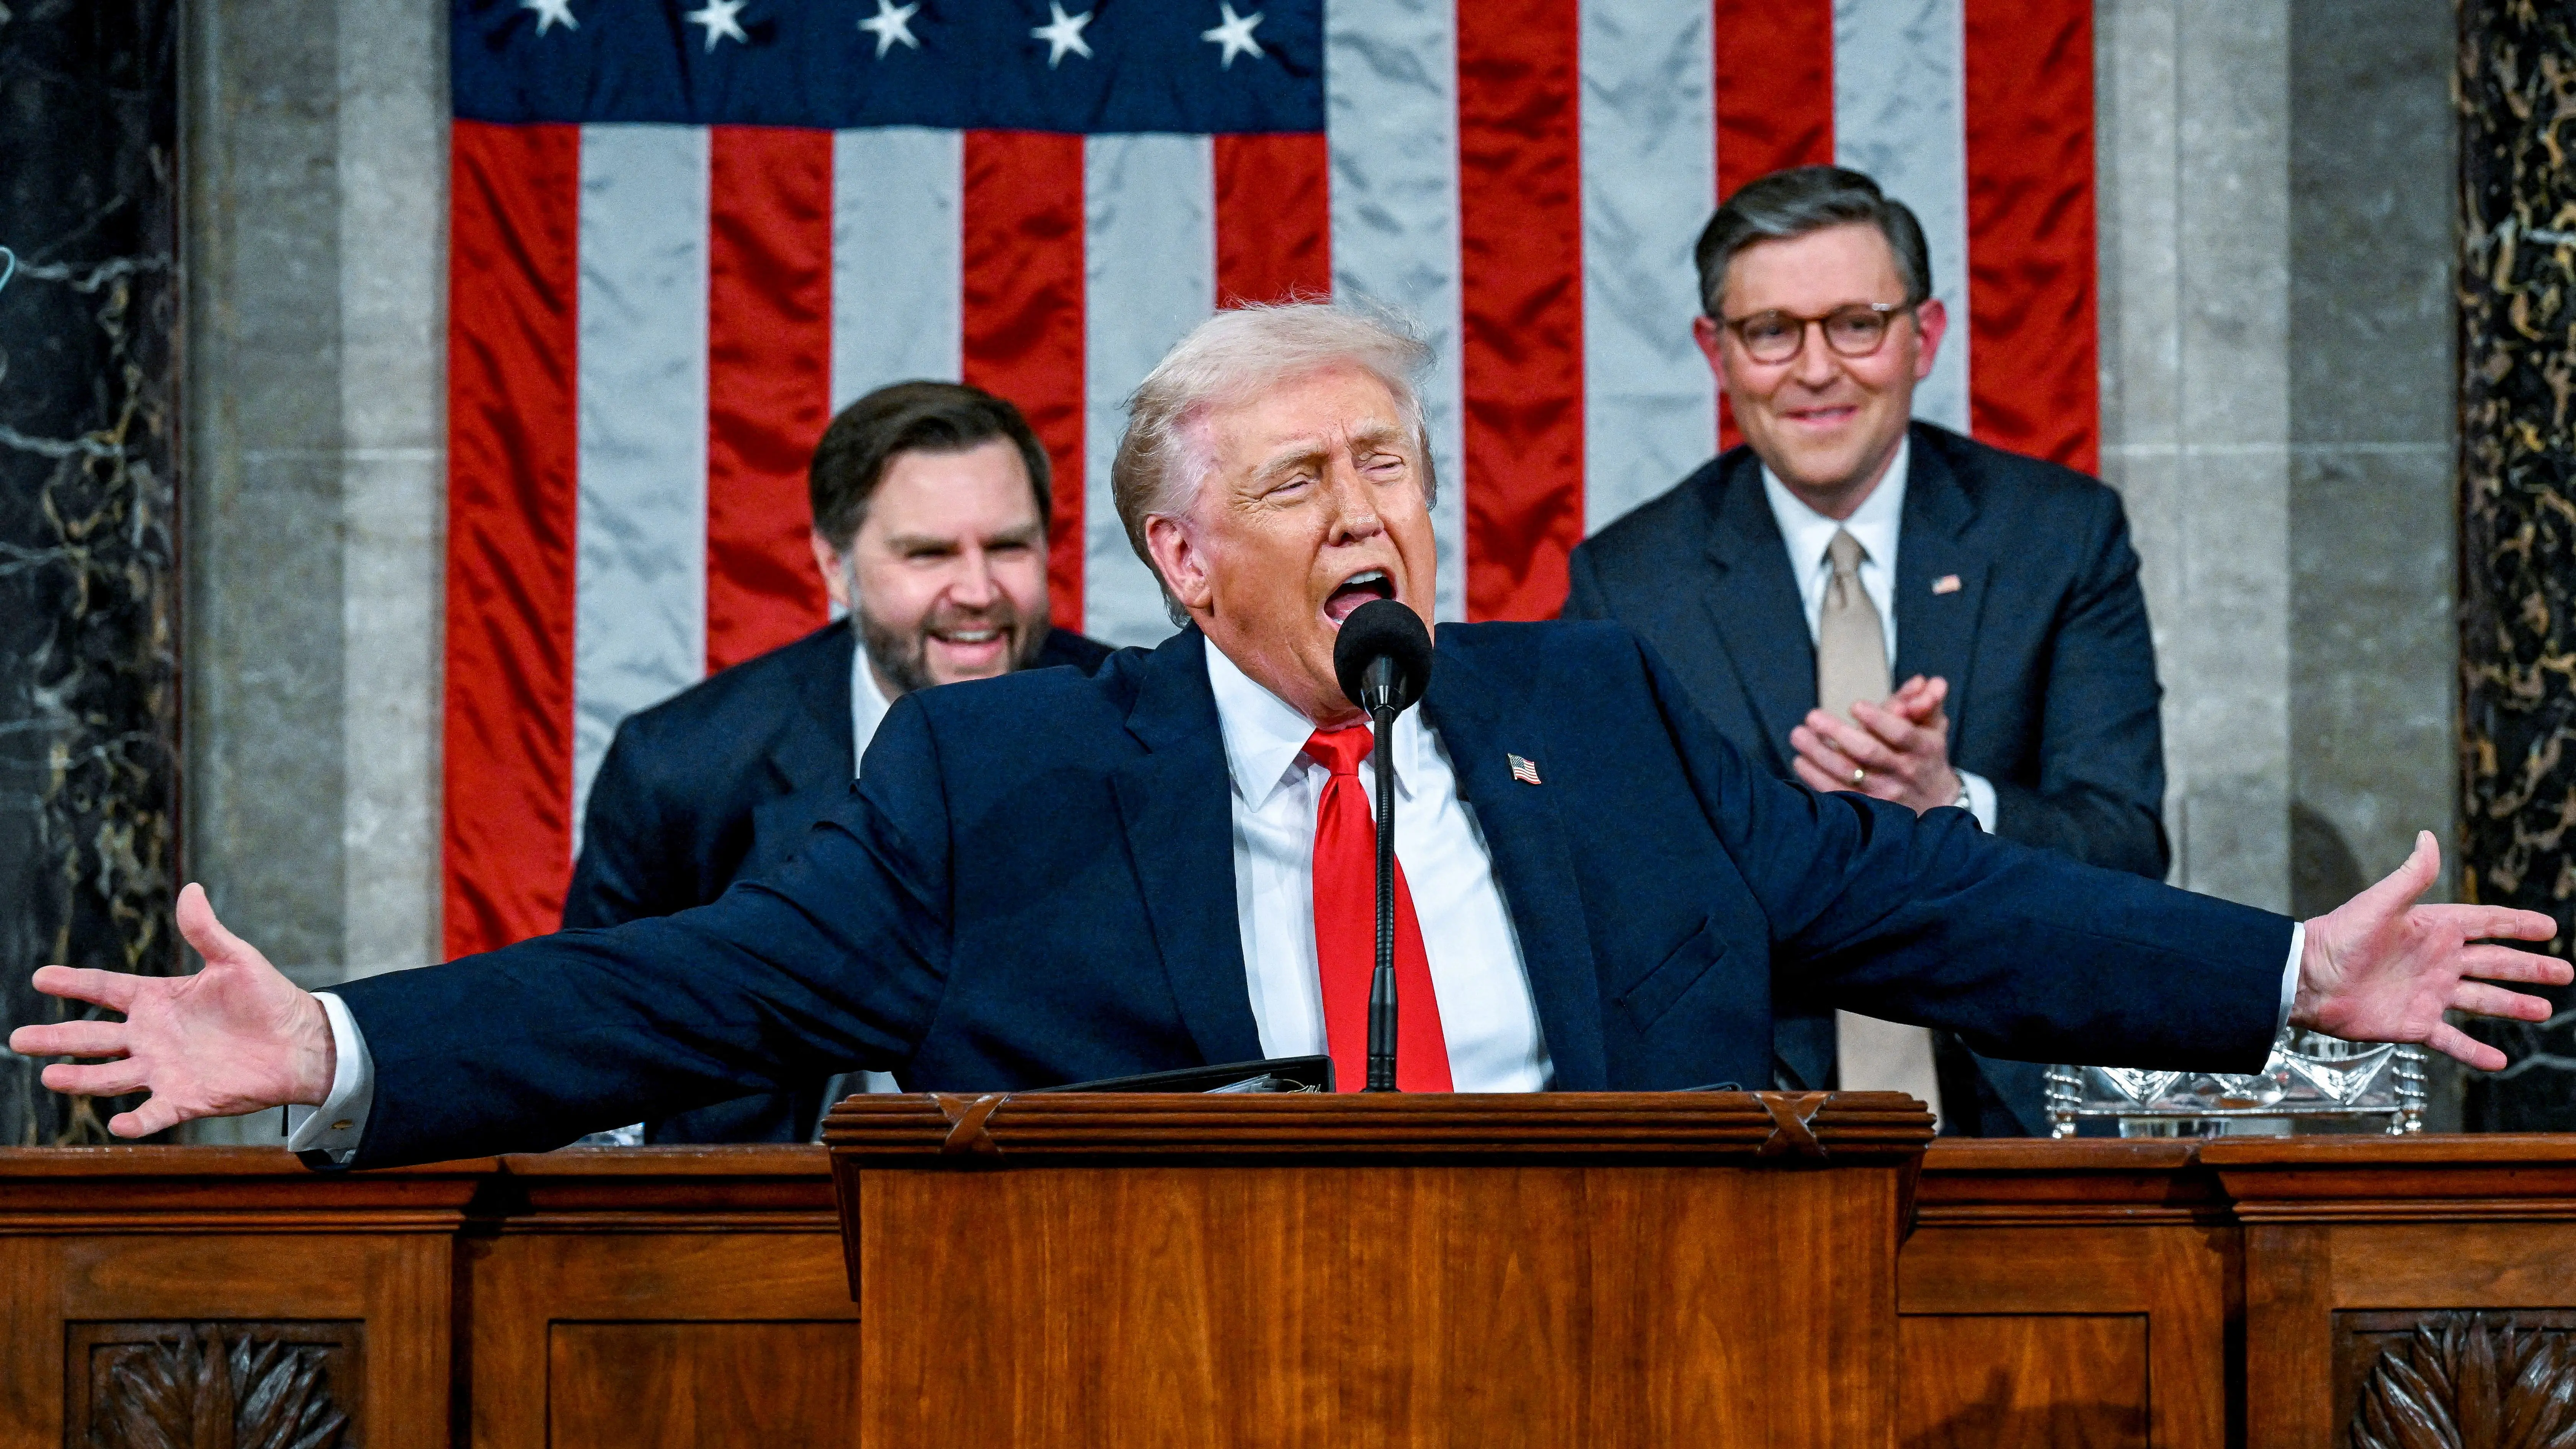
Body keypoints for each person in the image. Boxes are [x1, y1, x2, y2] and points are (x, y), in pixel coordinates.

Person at [10, 305, 2561, 1170]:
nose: (1369, 515)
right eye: (1302, 481)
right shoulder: (1006, 778)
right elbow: (681, 989)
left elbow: (1933, 908)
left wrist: (2277, 974)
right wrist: (334, 1042)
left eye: (1394, 467)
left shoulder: (1595, 711)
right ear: (1176, 553)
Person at [1565, 166, 2161, 1135]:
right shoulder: (1629, 582)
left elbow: (2127, 845)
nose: (1814, 370)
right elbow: (1609, 895)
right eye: (1771, 331)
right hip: (1752, 1121)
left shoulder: (2059, 537)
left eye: (1855, 324)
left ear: (1925, 334)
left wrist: (1950, 804)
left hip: (2023, 1113)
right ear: (1716, 351)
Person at [564, 381, 1111, 1144]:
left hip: (1067, 1191)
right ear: (834, 565)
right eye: (929, 553)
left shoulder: (1144, 732)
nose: (978, 590)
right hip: (767, 1199)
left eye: (1008, 547)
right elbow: (593, 1047)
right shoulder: (680, 767)